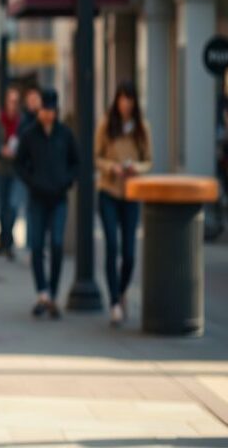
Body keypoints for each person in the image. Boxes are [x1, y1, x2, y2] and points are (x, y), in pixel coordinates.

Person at [15, 88, 78, 320]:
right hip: (37, 198)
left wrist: (67, 181)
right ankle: (42, 293)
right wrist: (32, 181)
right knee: (38, 246)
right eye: (44, 110)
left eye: (51, 110)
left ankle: (52, 293)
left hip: (59, 198)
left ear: (56, 111)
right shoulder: (30, 134)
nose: (47, 114)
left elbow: (76, 162)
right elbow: (19, 164)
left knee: (58, 244)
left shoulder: (65, 134)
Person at [95, 82, 152, 326]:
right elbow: (96, 156)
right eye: (122, 99)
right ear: (116, 101)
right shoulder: (107, 123)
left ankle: (121, 290)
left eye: (129, 99)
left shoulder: (141, 127)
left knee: (129, 253)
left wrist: (134, 168)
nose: (125, 104)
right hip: (108, 191)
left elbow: (148, 161)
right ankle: (114, 302)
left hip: (130, 194)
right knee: (112, 245)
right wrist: (112, 167)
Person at [0, 87, 23, 260]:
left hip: (16, 169)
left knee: (13, 207)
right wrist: (1, 150)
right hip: (1, 169)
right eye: (10, 101)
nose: (13, 104)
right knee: (1, 208)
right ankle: (5, 240)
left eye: (15, 101)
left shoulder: (21, 122)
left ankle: (7, 240)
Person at [18, 84, 42, 252]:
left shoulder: (45, 119)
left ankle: (38, 244)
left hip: (44, 172)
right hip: (29, 172)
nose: (33, 103)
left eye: (36, 99)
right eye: (30, 99)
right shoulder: (25, 121)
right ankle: (30, 245)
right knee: (30, 209)